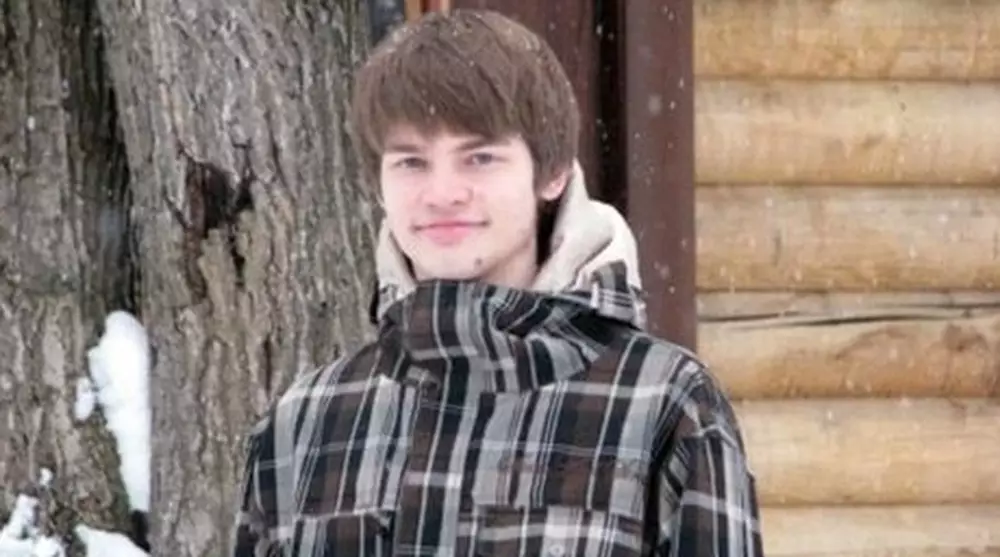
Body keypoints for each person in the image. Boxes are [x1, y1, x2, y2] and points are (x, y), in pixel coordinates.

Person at [231, 8, 762, 556]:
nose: (443, 193)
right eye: (412, 162)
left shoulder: (664, 404)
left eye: (479, 158)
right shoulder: (303, 423)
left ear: (553, 174)